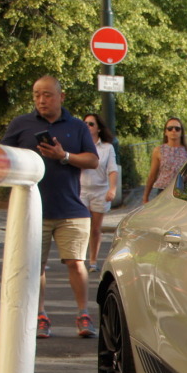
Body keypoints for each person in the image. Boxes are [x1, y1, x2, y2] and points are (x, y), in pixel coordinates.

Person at [1, 75, 99, 339]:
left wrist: (63, 156)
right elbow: (2, 157)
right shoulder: (21, 124)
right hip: (33, 210)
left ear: (61, 97)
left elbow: (92, 160)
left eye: (47, 94)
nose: (41, 100)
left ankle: (83, 314)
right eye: (36, 95)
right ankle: (40, 314)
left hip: (71, 209)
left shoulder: (77, 127)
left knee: (77, 263)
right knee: (36, 266)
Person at [80, 113, 119, 271]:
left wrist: (112, 189)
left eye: (91, 124)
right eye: (85, 124)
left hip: (99, 191)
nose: (88, 127)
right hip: (81, 190)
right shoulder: (79, 145)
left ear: (98, 128)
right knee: (81, 226)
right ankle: (79, 259)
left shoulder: (107, 148)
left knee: (95, 229)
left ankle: (93, 261)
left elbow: (112, 169)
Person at [142, 117, 187, 204]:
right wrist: (145, 197)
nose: (173, 131)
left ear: (181, 132)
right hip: (163, 191)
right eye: (170, 128)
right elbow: (152, 175)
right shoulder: (158, 150)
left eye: (177, 129)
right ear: (165, 132)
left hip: (182, 192)